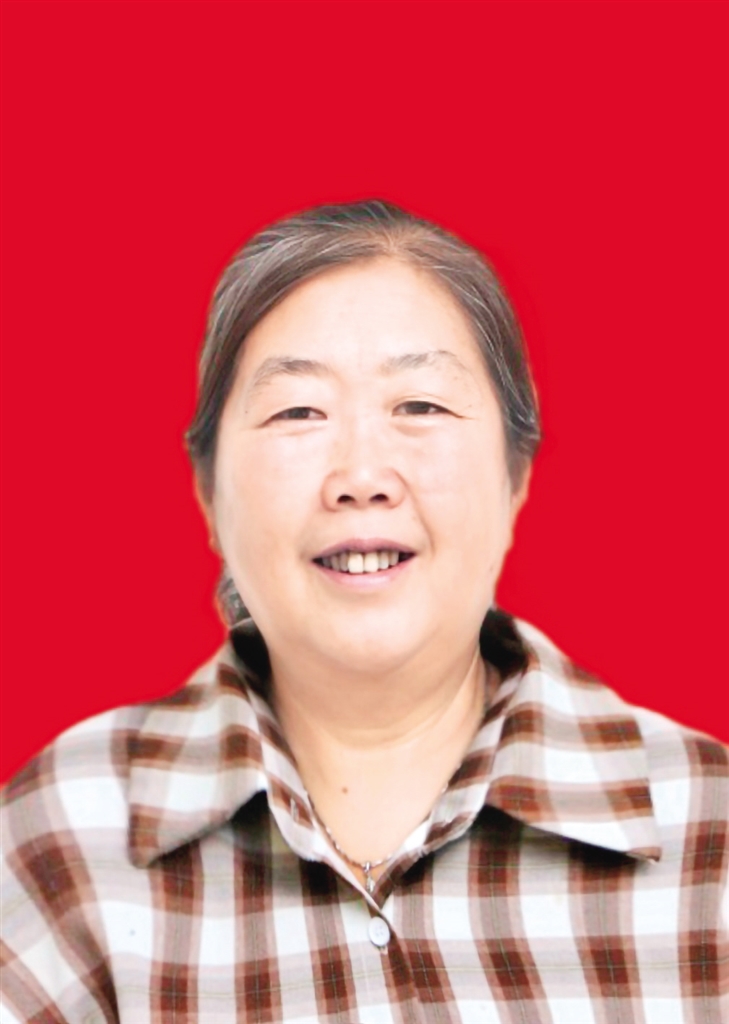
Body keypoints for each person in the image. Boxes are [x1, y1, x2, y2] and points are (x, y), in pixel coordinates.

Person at [1, 200, 726, 1024]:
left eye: (420, 406)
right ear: (207, 493)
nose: (361, 477)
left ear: (516, 474)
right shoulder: (65, 837)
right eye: (297, 412)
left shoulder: (707, 836)